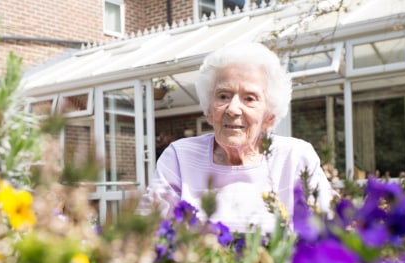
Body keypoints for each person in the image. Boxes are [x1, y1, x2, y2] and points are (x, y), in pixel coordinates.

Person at [138, 42, 335, 233]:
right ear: (209, 110)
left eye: (249, 98)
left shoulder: (295, 157)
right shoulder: (180, 156)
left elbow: (328, 228)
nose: (232, 109)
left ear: (269, 117)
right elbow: (147, 230)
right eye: (223, 96)